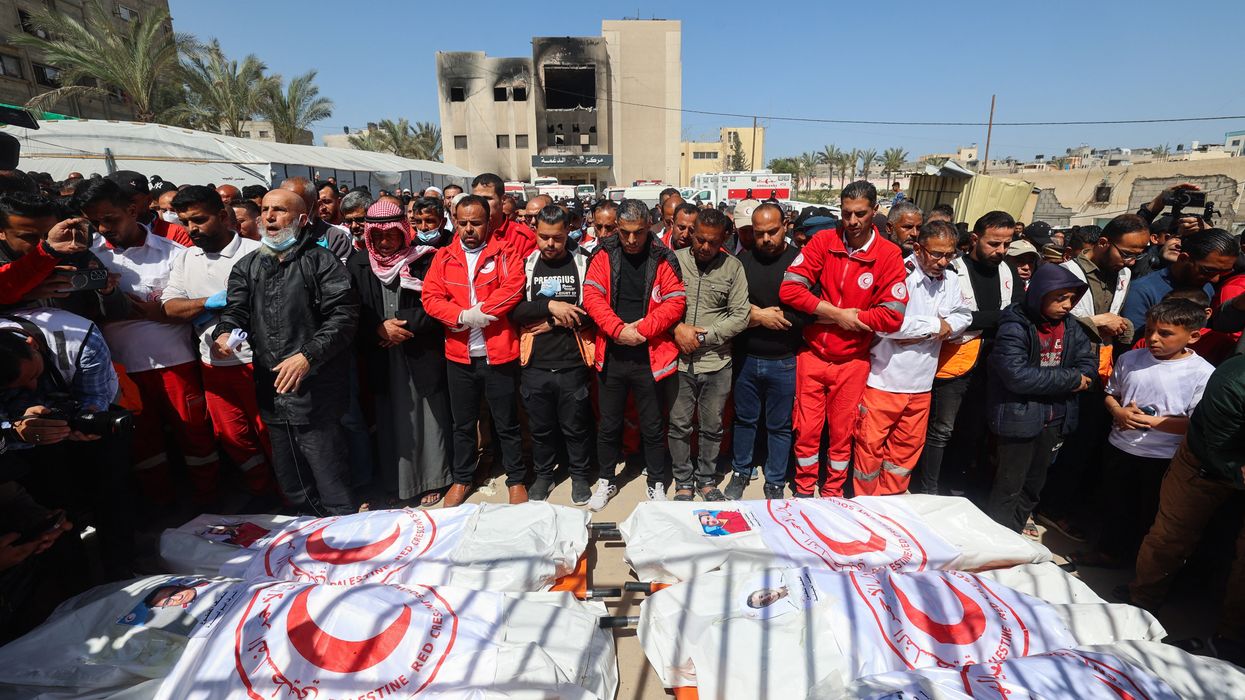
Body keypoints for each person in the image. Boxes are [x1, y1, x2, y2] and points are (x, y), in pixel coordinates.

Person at [211, 188, 359, 516]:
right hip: (272, 387)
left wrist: (308, 356)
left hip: (316, 390)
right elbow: (236, 311)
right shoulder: (247, 266)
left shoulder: (322, 262)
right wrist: (225, 335)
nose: (269, 217)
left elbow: (344, 318)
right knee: (291, 481)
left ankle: (346, 539)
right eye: (265, 209)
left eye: (279, 210)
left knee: (329, 475)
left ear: (303, 219)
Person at [80, 178, 224, 506]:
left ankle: (211, 501)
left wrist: (155, 312)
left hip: (177, 363)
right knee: (143, 444)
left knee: (195, 435)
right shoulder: (91, 260)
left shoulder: (176, 253)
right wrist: (117, 303)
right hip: (122, 368)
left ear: (132, 210)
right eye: (94, 222)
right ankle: (162, 506)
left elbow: (194, 306)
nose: (103, 228)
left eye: (110, 219)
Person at [779, 181, 907, 498]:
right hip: (812, 356)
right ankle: (804, 490)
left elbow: (892, 316)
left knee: (842, 434)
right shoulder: (824, 241)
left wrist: (854, 319)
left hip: (852, 362)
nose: (852, 221)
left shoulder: (888, 255)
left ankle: (833, 492)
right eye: (846, 213)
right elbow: (789, 290)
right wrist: (836, 314)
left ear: (874, 211)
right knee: (806, 431)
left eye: (860, 214)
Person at [1070, 299, 1213, 569]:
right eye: (1149, 331)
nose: (1153, 339)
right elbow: (1111, 394)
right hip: (1121, 447)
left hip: (1163, 458)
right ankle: (1108, 552)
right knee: (1114, 505)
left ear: (1193, 336)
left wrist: (1149, 421)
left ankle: (1140, 566)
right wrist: (1118, 412)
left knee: (1150, 513)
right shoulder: (1130, 359)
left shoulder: (1202, 374)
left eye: (1165, 333)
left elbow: (1195, 423)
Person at [1126, 353, 1245, 664]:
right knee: (1172, 534)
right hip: (1205, 463)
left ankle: (1230, 635)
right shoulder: (1234, 382)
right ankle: (1141, 602)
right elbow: (1220, 446)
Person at [1039, 214, 1151, 539]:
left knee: (1081, 443)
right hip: (1062, 367)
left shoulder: (1123, 274)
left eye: (1137, 254)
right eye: (1125, 253)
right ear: (1103, 243)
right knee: (1054, 442)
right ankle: (1042, 505)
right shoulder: (1066, 272)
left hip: (1098, 370)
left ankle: (1055, 506)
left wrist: (1120, 327)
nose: (1130, 260)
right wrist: (1095, 322)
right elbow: (1047, 319)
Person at [0, 309, 134, 579]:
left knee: (112, 494)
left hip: (85, 430)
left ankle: (122, 570)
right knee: (52, 510)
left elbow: (94, 398)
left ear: (32, 344)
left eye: (34, 374)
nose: (33, 386)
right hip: (26, 445)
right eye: (18, 386)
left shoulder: (80, 337)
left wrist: (84, 422)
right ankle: (73, 584)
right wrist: (15, 432)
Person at [160, 186, 274, 501]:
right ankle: (261, 491)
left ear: (222, 216)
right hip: (212, 366)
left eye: (199, 220)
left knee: (270, 434)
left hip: (258, 363)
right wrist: (210, 303)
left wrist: (221, 314)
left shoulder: (257, 252)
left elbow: (273, 309)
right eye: (185, 221)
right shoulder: (185, 258)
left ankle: (291, 497)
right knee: (232, 436)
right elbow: (170, 308)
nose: (192, 229)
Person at [421, 195, 528, 506]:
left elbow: (514, 287)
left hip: (498, 354)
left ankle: (516, 478)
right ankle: (462, 478)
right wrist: (461, 317)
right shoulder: (444, 257)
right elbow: (431, 296)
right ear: (455, 221)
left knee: (506, 421)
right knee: (463, 424)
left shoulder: (505, 253)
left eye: (476, 223)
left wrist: (483, 311)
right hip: (460, 355)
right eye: (463, 222)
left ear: (489, 223)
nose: (468, 229)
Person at [853, 220, 971, 496]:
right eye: (937, 254)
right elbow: (886, 324)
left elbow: (964, 316)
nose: (943, 261)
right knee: (870, 450)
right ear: (918, 249)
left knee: (904, 453)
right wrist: (935, 327)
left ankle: (892, 502)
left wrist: (930, 329)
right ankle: (865, 504)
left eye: (949, 255)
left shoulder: (951, 278)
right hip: (884, 383)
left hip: (921, 387)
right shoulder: (898, 275)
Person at [346, 200, 451, 508]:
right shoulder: (358, 264)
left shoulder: (425, 260)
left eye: (391, 234)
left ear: (404, 231)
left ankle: (434, 478)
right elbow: (351, 310)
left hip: (419, 350)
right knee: (390, 419)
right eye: (377, 235)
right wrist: (377, 329)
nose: (384, 241)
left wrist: (402, 326)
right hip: (381, 353)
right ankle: (395, 483)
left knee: (428, 417)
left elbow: (439, 305)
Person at [582, 198, 686, 503]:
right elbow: (592, 296)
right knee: (609, 424)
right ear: (617, 227)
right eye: (625, 232)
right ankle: (606, 480)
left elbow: (675, 301)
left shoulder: (663, 257)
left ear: (649, 227)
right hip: (612, 354)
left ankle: (655, 482)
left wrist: (641, 331)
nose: (631, 239)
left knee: (653, 425)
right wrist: (618, 330)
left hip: (649, 354)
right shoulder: (602, 253)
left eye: (638, 232)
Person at [985, 264, 1097, 534]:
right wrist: (1070, 380)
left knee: (1034, 485)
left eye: (1072, 298)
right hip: (1020, 418)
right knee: (1008, 486)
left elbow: (1089, 368)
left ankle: (1016, 531)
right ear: (1039, 294)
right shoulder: (1015, 325)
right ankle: (998, 539)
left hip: (1055, 418)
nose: (1067, 305)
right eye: (1060, 298)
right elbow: (1017, 376)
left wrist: (1063, 379)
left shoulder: (1071, 327)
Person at [918, 210, 1022, 496]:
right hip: (956, 359)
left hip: (994, 361)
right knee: (942, 429)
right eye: (993, 243)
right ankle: (928, 489)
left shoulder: (1008, 271)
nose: (1000, 251)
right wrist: (998, 317)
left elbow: (1017, 311)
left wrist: (986, 317)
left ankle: (956, 486)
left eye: (1006, 244)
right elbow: (949, 318)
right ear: (975, 239)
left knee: (973, 429)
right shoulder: (952, 269)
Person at [510, 205, 597, 505]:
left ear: (568, 231)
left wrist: (562, 317)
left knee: (576, 427)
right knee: (541, 427)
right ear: (535, 231)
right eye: (544, 237)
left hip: (573, 361)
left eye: (557, 238)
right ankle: (544, 475)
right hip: (535, 362)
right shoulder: (527, 263)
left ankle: (580, 476)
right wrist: (550, 309)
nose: (550, 244)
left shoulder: (584, 261)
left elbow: (595, 309)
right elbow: (515, 309)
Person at [668, 208, 750, 502]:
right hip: (677, 362)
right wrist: (677, 329)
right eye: (699, 239)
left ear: (724, 238)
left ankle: (706, 480)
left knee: (712, 426)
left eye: (712, 242)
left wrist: (703, 335)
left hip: (717, 362)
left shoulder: (733, 268)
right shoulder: (673, 262)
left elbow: (741, 315)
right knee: (679, 425)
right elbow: (656, 306)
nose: (704, 247)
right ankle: (683, 481)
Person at [728, 202, 805, 500]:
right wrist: (756, 314)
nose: (766, 239)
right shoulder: (741, 263)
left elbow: (805, 313)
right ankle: (740, 471)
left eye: (772, 232)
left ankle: (775, 479)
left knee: (779, 425)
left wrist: (777, 318)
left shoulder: (800, 262)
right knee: (744, 420)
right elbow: (730, 310)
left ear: (785, 225)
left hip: (784, 360)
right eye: (759, 233)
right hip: (746, 358)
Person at [1121, 228, 1240, 335]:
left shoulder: (1206, 286)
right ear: (1183, 258)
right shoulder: (1142, 292)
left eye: (1224, 273)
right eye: (1208, 270)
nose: (1215, 279)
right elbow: (1134, 347)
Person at [105, 171, 193, 247]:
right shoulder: (99, 241)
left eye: (130, 200)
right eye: (115, 202)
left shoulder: (176, 233)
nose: (122, 206)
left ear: (149, 199)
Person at [470, 173, 535, 257]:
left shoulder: (523, 238)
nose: (481, 203)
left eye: (487, 199)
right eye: (476, 199)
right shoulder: (465, 234)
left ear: (502, 199)